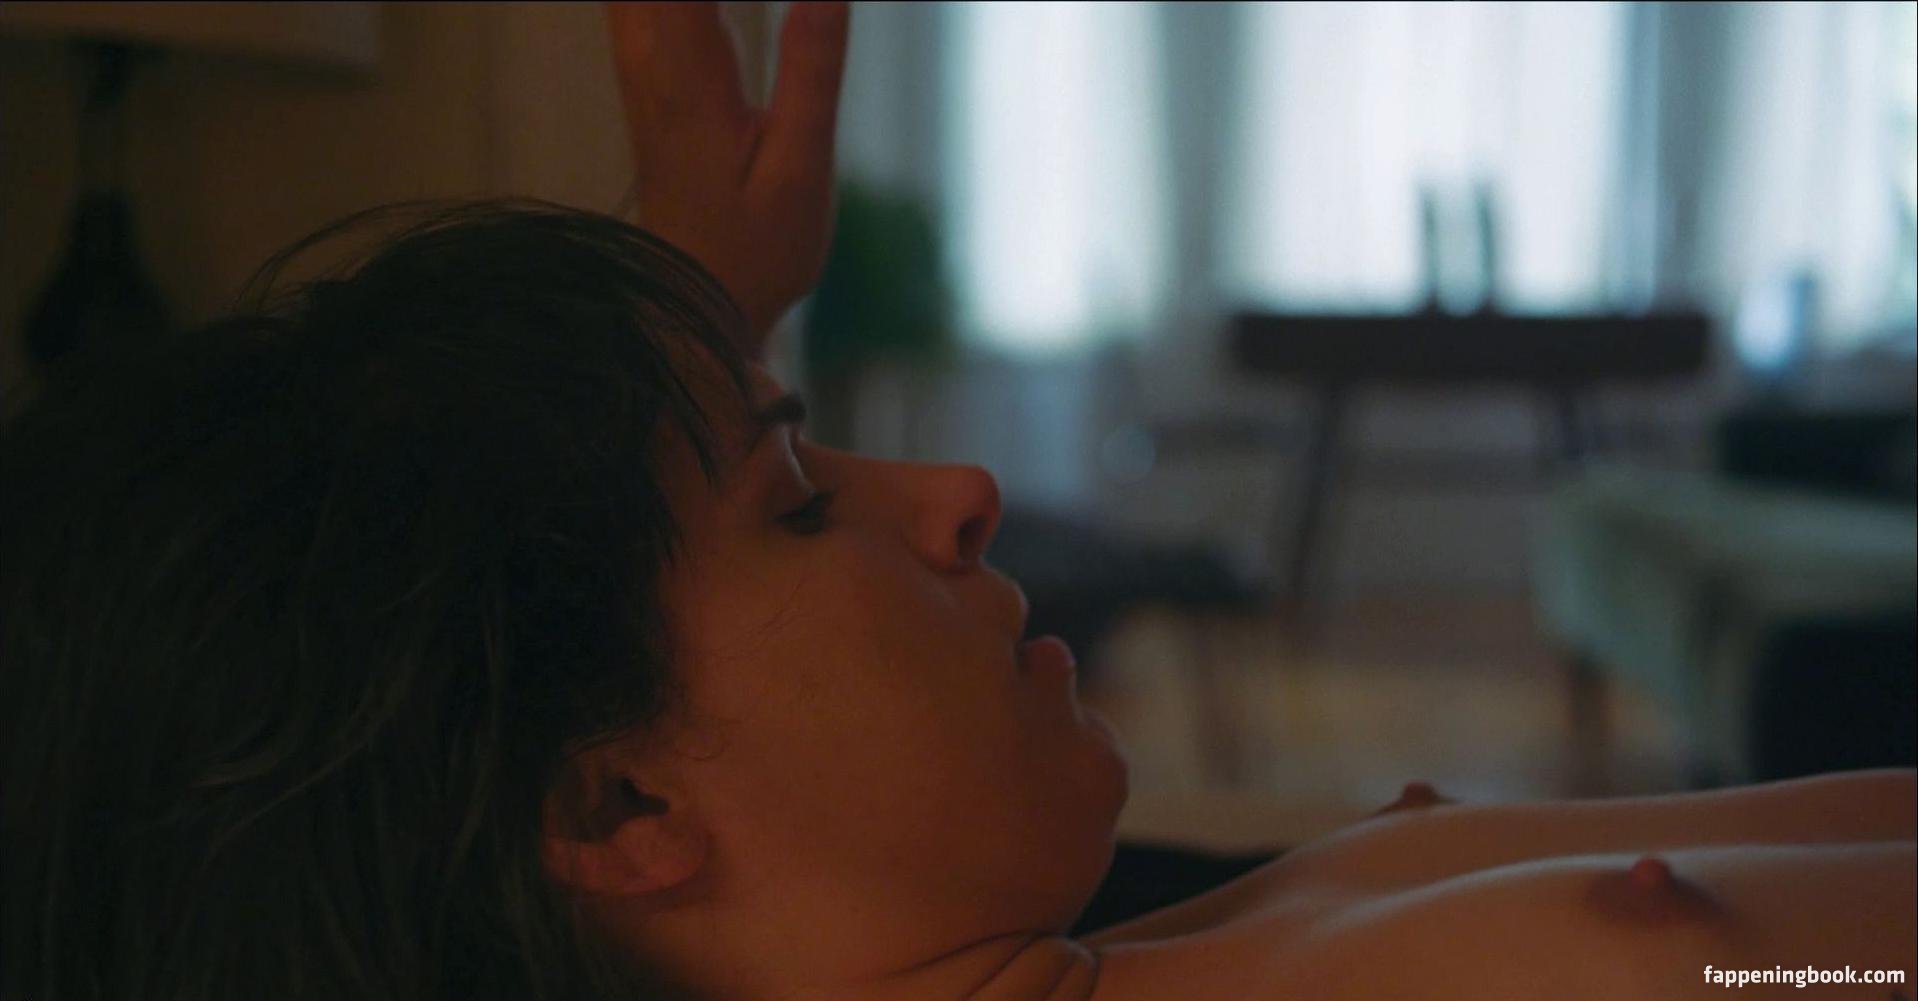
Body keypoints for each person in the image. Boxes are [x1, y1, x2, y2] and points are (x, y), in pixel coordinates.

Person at [1, 3, 1911, 1000]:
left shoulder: (1057, 934)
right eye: (798, 501)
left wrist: (690, 315)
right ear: (618, 806)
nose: (965, 491)